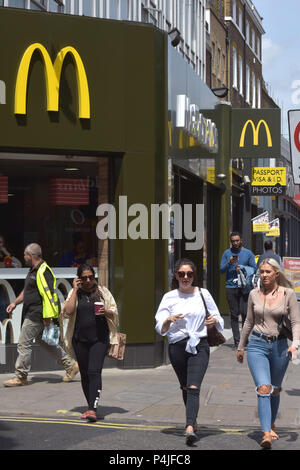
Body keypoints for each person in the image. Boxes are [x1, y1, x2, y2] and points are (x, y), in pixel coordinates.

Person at [155, 258, 224, 446]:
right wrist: (168, 320)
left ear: (194, 276)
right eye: (181, 274)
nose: (185, 277)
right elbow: (159, 324)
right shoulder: (169, 297)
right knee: (186, 387)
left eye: (189, 274)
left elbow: (218, 317)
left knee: (194, 386)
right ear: (176, 276)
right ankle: (193, 419)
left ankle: (189, 428)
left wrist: (214, 322)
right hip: (177, 346)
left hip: (199, 345)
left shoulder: (203, 293)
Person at [237, 258, 300, 449]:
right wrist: (241, 347)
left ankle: (271, 424)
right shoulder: (253, 294)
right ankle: (265, 433)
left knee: (275, 388)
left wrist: (295, 345)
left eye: (268, 272)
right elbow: (248, 321)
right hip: (256, 345)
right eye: (261, 271)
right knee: (264, 388)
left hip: (280, 347)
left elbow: (296, 323)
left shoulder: (288, 294)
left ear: (276, 273)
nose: (264, 275)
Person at [3, 243, 79, 387]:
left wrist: (48, 316)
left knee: (23, 342)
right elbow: (27, 291)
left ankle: (21, 376)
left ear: (30, 255)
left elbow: (50, 296)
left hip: (37, 313)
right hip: (35, 312)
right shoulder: (33, 270)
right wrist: (14, 303)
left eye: (25, 254)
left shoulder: (44, 271)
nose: (24, 257)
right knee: (46, 342)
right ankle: (70, 365)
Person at [62, 264, 119, 422]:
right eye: (84, 278)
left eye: (91, 277)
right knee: (85, 375)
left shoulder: (102, 291)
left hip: (99, 339)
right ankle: (90, 406)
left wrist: (106, 311)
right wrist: (74, 290)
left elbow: (114, 310)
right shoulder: (75, 293)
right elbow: (68, 311)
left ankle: (93, 409)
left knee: (94, 372)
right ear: (79, 278)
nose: (88, 280)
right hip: (80, 340)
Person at [220, 232, 256, 348]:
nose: (235, 243)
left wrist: (243, 268)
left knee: (245, 314)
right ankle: (237, 341)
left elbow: (254, 269)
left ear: (241, 240)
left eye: (237, 240)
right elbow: (221, 270)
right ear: (231, 241)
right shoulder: (227, 253)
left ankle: (245, 339)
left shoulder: (248, 253)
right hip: (230, 287)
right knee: (234, 315)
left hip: (244, 287)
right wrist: (229, 263)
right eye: (233, 241)